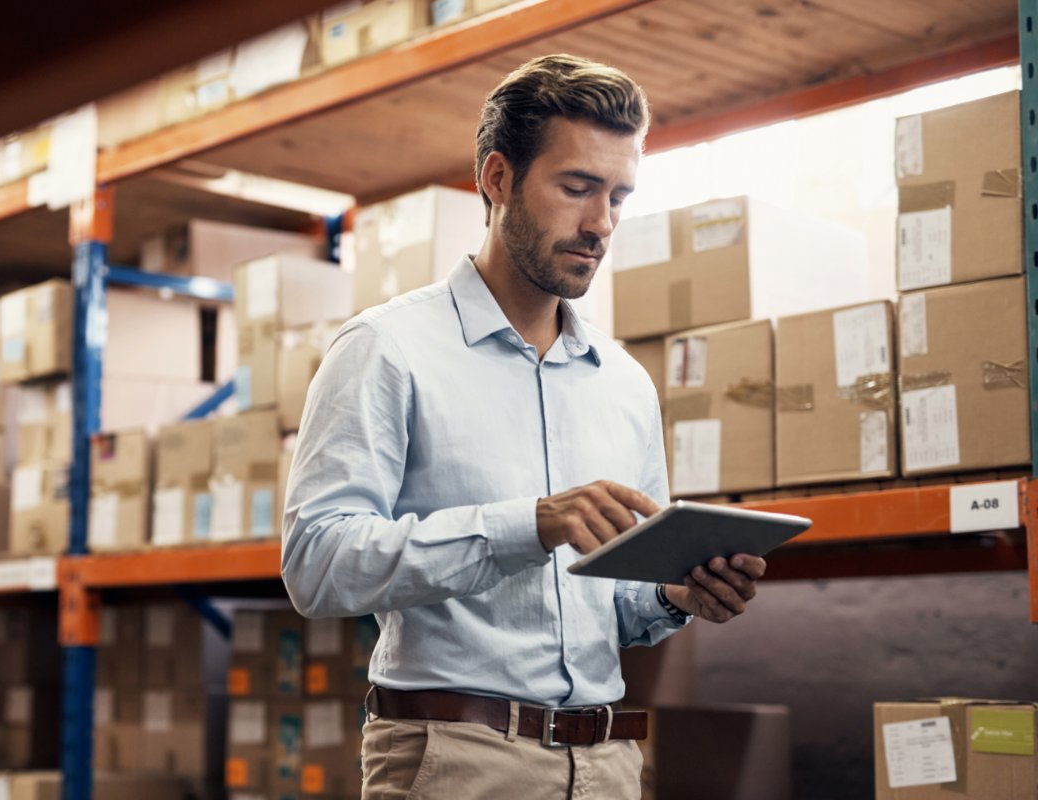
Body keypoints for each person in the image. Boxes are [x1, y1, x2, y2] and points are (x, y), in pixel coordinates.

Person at [281, 53, 766, 799]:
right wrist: (529, 525)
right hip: (457, 763)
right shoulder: (387, 349)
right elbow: (316, 564)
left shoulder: (625, 384)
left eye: (618, 196)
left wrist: (678, 597)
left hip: (607, 766)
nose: (600, 223)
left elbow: (621, 603)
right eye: (577, 188)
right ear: (498, 179)